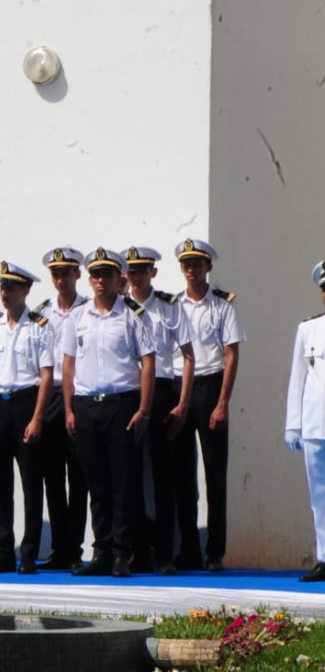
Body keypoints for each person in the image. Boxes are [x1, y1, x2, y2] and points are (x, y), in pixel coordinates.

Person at [60, 249, 155, 578]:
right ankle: (101, 551)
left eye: (107, 275)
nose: (101, 280)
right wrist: (69, 408)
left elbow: (148, 362)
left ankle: (121, 554)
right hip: (87, 405)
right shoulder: (78, 316)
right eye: (96, 275)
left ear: (119, 279)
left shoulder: (133, 315)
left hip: (121, 404)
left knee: (122, 484)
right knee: (96, 483)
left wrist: (144, 409)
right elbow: (68, 364)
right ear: (90, 280)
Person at [0, 261, 53, 574]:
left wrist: (37, 418)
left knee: (31, 482)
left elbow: (46, 376)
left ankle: (29, 553)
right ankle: (4, 551)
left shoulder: (39, 325)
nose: (5, 293)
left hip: (25, 404)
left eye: (12, 287)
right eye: (3, 287)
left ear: (26, 290)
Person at [173, 237, 244, 573]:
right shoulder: (174, 306)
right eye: (186, 264)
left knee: (215, 473)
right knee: (182, 473)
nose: (191, 270)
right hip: (180, 388)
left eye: (197, 264)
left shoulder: (222, 305)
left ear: (208, 267)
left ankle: (215, 551)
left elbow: (231, 355)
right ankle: (188, 548)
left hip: (211, 386)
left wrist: (223, 402)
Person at [123, 246, 195, 575]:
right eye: (131, 271)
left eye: (142, 270)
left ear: (152, 272)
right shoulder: (120, 308)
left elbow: (189, 356)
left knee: (164, 477)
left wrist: (183, 403)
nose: (136, 276)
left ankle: (165, 554)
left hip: (164, 391)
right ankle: (139, 552)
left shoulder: (168, 306)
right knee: (131, 477)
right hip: (129, 393)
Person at [36, 246, 89, 571]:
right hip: (50, 396)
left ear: (77, 275)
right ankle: (59, 548)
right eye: (55, 274)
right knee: (52, 478)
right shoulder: (43, 312)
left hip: (78, 397)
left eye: (66, 273)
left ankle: (75, 549)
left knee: (79, 478)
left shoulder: (87, 309)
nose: (60, 279)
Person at [285, 259, 325, 582]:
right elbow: (297, 379)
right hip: (315, 424)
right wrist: (293, 424)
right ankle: (324, 557)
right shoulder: (308, 329)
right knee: (319, 496)